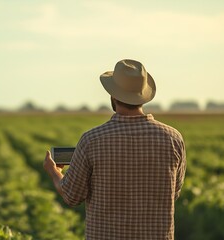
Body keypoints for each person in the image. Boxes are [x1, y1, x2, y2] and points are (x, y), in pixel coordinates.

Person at [43, 59, 186, 240]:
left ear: (113, 96)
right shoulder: (173, 138)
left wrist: (54, 172)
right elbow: (174, 193)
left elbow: (72, 196)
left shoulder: (91, 140)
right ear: (142, 96)